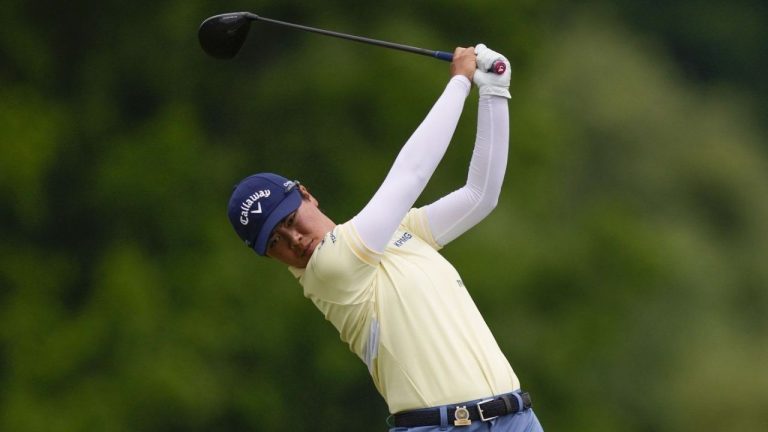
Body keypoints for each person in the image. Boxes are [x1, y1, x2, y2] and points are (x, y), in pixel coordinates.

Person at [227, 44, 544, 431]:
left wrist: (495, 92)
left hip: (517, 419)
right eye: (275, 241)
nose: (294, 239)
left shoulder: (398, 232)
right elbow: (411, 174)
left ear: (307, 194)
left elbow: (480, 196)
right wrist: (460, 83)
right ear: (268, 256)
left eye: (291, 219)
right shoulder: (329, 270)